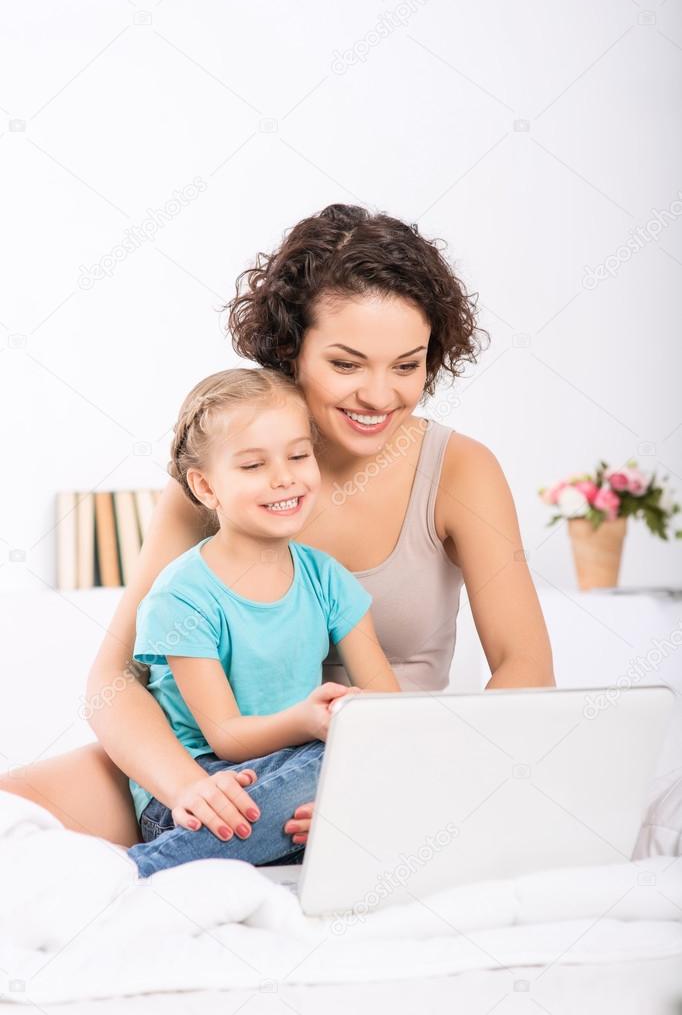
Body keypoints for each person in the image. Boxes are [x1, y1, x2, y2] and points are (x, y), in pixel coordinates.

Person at [0, 203, 554, 851]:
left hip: (380, 762)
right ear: (291, 348)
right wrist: (187, 788)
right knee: (15, 815)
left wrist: (407, 786)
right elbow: (115, 680)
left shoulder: (460, 469)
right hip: (208, 761)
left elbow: (527, 668)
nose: (381, 395)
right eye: (347, 364)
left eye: (407, 365)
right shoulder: (224, 471)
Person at [125, 367, 399, 876]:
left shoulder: (326, 578)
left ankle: (304, 826)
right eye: (253, 465)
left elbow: (388, 705)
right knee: (322, 766)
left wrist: (358, 779)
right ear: (206, 487)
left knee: (362, 766)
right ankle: (137, 871)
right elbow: (227, 735)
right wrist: (309, 724)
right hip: (201, 791)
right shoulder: (181, 595)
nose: (285, 478)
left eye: (299, 456)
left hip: (294, 770)